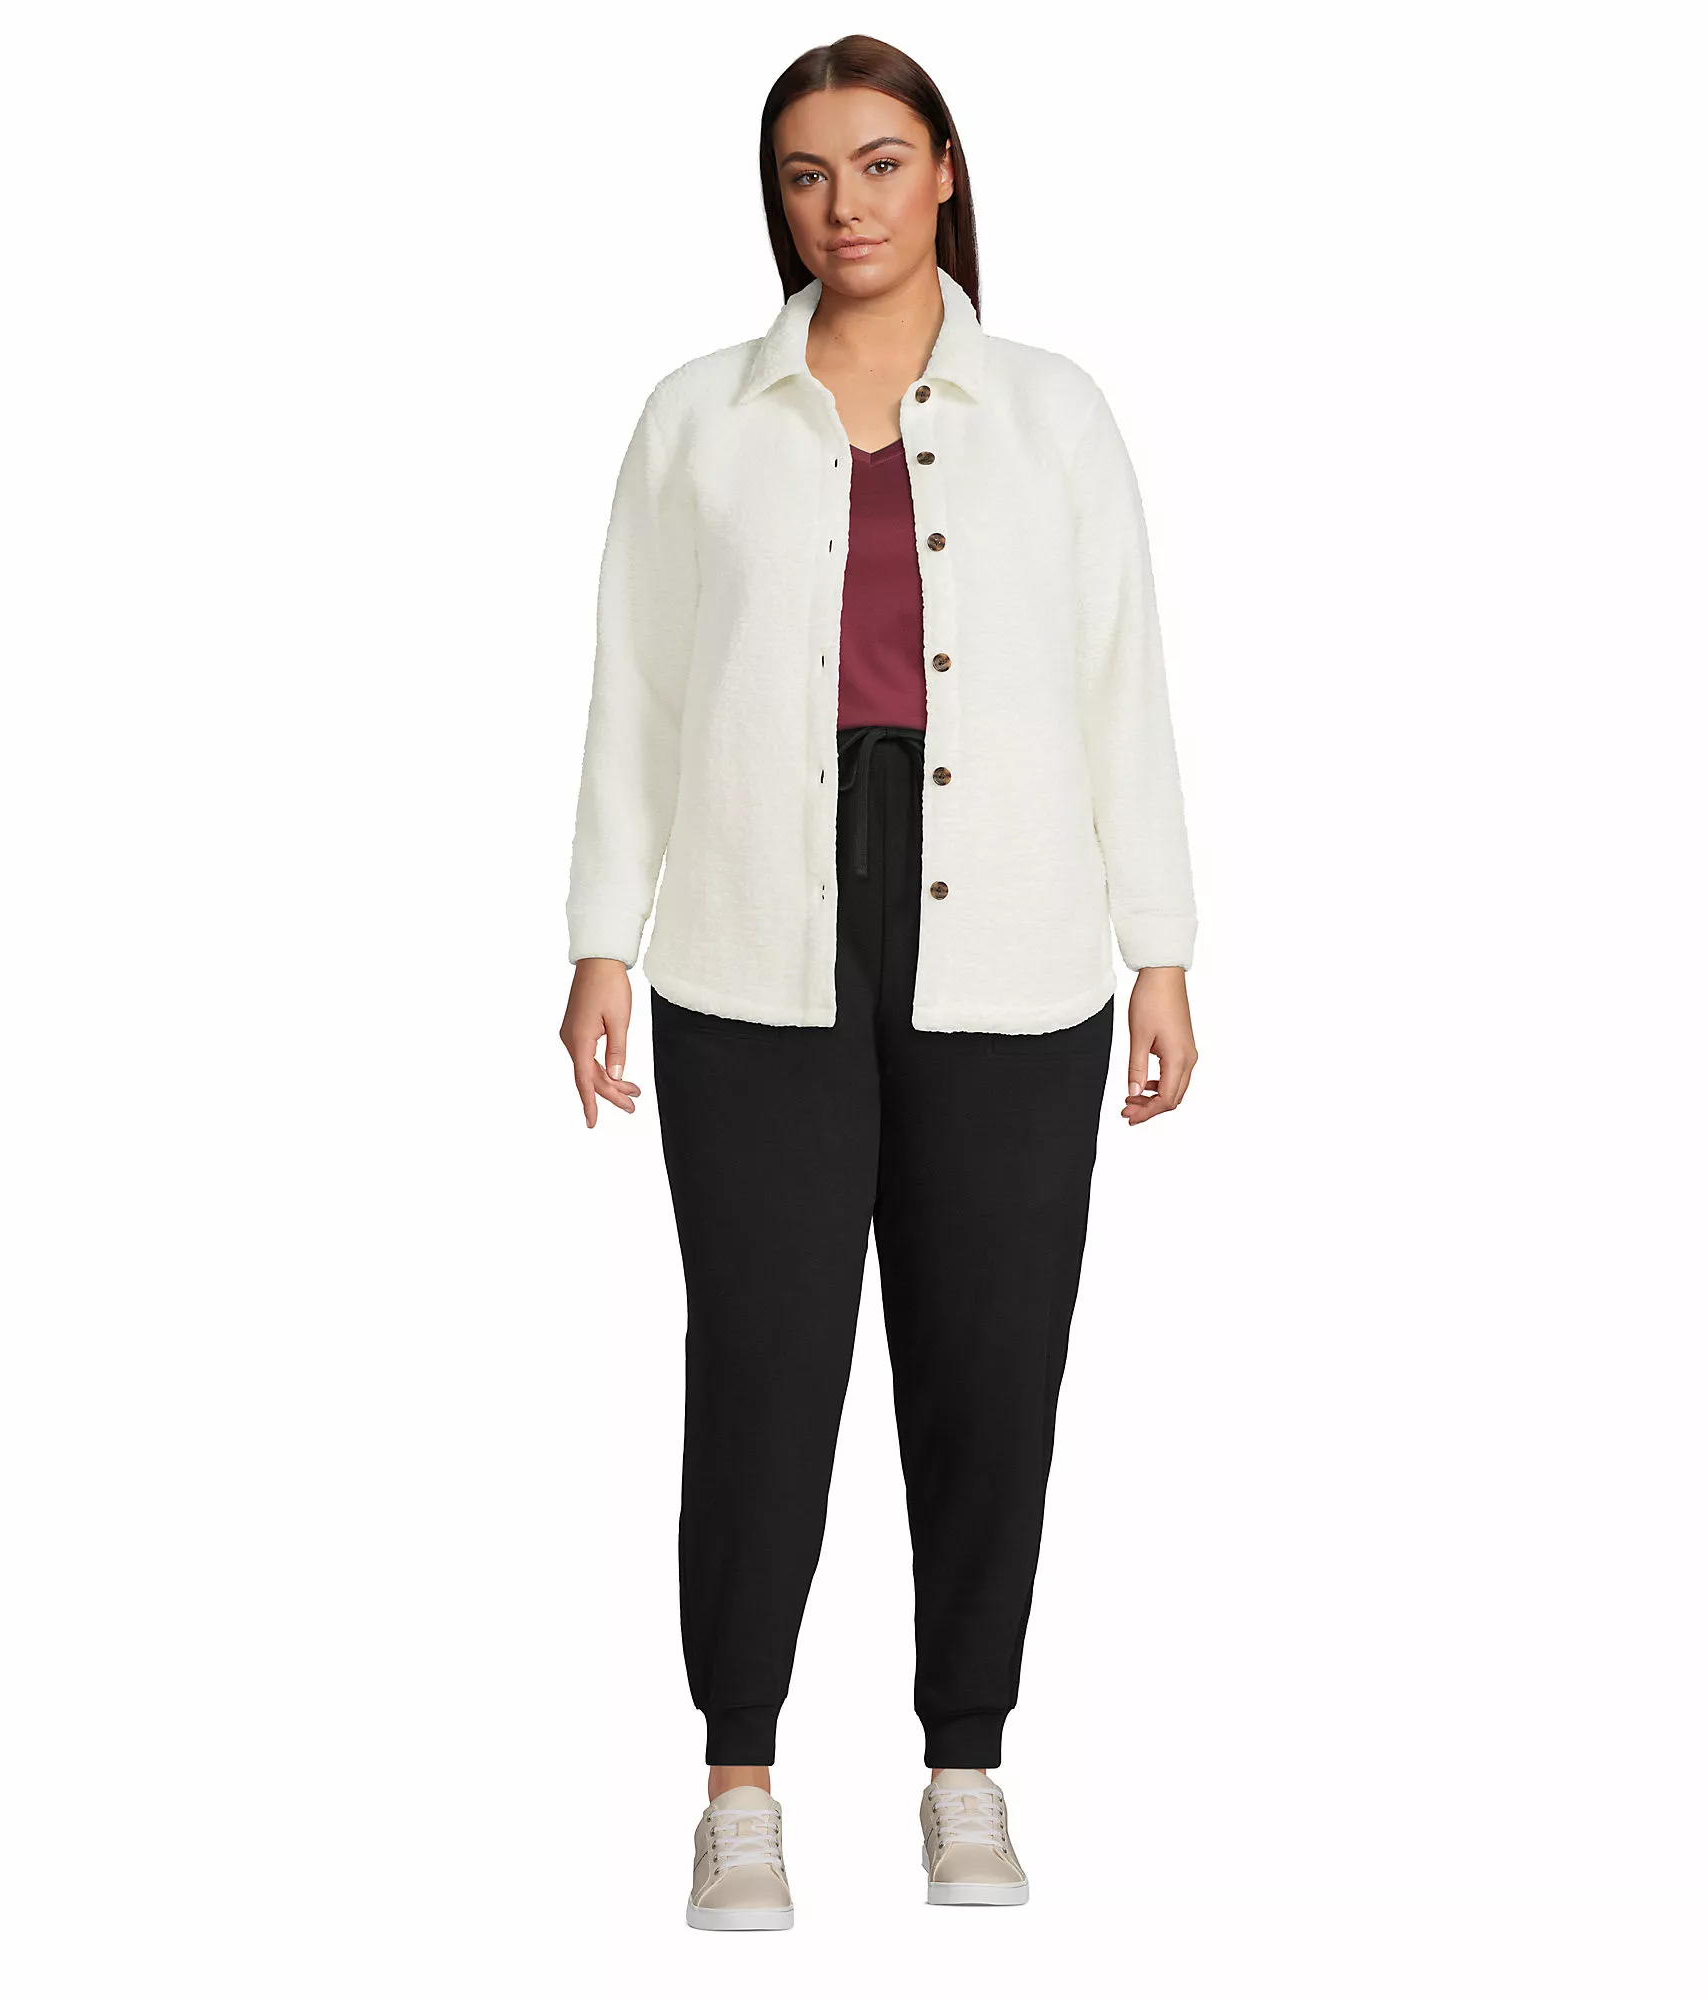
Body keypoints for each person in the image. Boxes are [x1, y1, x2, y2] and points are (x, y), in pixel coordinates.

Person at [561, 35, 1198, 1931]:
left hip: (1011, 931)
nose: (843, 205)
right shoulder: (696, 417)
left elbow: (1123, 684)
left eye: (880, 162)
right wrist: (601, 935)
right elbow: (635, 690)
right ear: (777, 199)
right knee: (762, 1361)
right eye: (807, 173)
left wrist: (1162, 948)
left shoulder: (1055, 415)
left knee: (992, 1361)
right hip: (753, 934)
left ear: (945, 173)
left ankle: (966, 1766)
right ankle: (738, 1782)